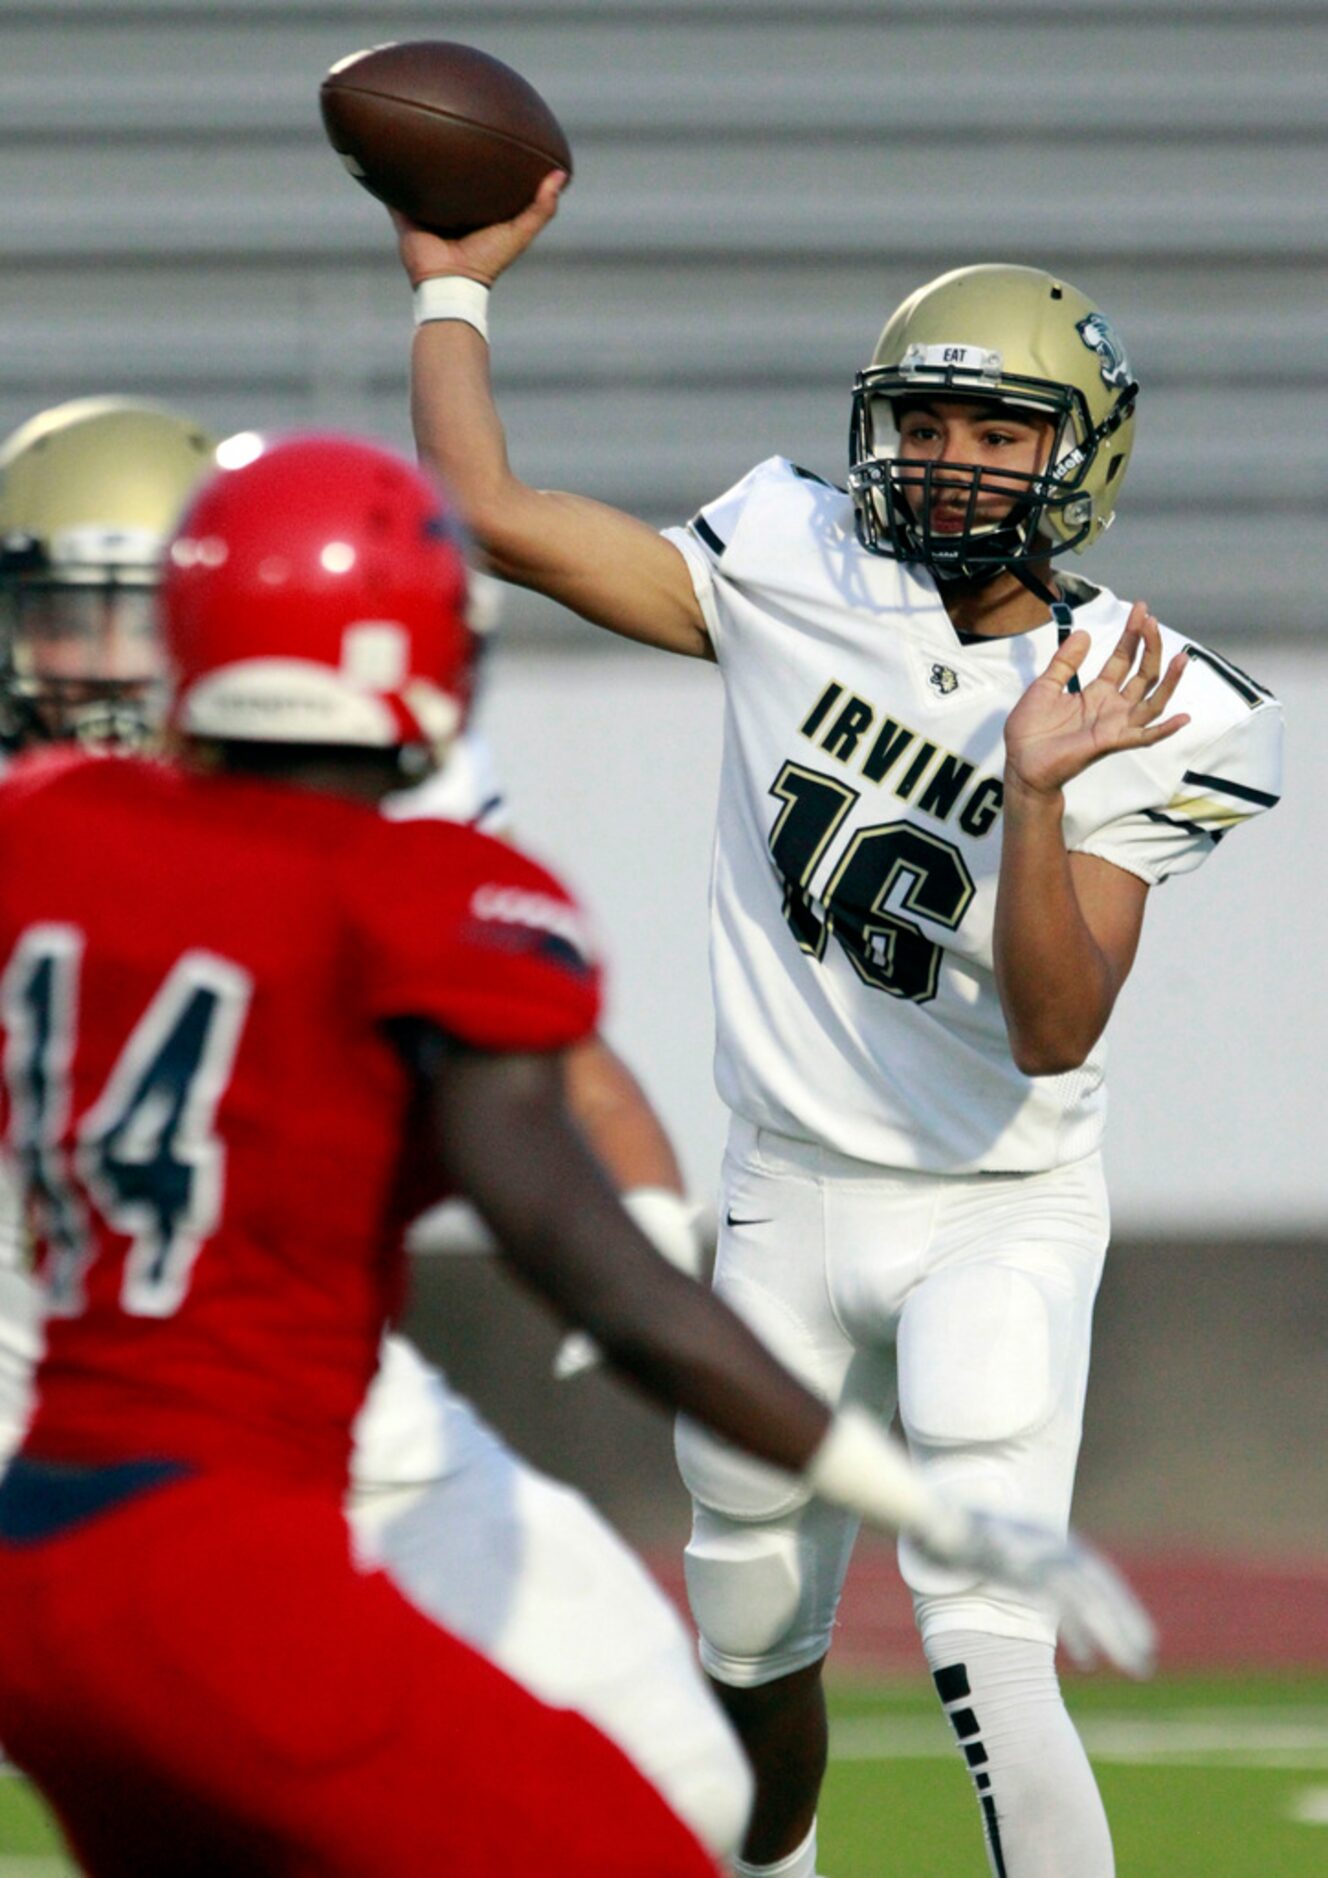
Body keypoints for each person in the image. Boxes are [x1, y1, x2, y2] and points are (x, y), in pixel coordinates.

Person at [0, 430, 1153, 1876]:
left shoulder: (41, 830)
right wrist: (901, 1489)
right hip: (224, 1545)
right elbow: (583, 1259)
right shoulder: (424, 893)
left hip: (42, 1539)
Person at [389, 176, 1283, 1878]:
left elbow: (1049, 1029)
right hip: (786, 1186)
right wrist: (451, 290)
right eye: (924, 416)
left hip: (994, 1202)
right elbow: (490, 511)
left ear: (1076, 457)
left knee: (985, 1633)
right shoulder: (790, 558)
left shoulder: (1154, 701)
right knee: (747, 1628)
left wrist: (1034, 795)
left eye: (996, 428)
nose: (948, 456)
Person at [0, 394, 729, 1851]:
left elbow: (552, 1057)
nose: (75, 665)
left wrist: (640, 1238)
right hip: (63, 1384)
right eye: (49, 615)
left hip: (276, 1376)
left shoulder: (358, 783)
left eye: (115, 616)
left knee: (682, 1769)